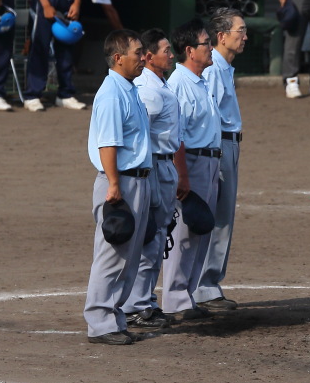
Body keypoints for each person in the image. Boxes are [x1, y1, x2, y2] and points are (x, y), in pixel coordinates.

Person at [83, 29, 151, 345]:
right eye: (138, 52)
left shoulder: (129, 89)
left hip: (135, 180)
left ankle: (114, 317)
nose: (143, 57)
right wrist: (113, 185)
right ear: (117, 58)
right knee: (112, 256)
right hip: (120, 182)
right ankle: (100, 322)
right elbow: (107, 144)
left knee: (130, 257)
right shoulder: (111, 94)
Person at [162, 18, 222, 323]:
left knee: (202, 229)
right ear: (189, 50)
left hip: (209, 163)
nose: (211, 48)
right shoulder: (179, 84)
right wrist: (182, 175)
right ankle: (174, 299)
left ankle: (188, 294)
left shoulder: (202, 80)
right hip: (193, 164)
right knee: (185, 232)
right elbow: (177, 137)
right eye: (205, 43)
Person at [125, 28, 181, 331]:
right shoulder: (147, 90)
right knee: (149, 237)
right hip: (154, 167)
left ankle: (144, 301)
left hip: (164, 166)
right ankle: (136, 305)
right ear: (148, 56)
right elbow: (138, 136)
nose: (171, 55)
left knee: (157, 237)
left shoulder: (159, 84)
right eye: (165, 50)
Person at [196, 8, 247, 311]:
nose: (245, 36)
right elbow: (209, 116)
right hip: (220, 147)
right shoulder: (214, 69)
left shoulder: (225, 67)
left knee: (223, 217)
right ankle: (205, 286)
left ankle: (207, 283)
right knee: (219, 218)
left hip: (229, 146)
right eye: (240, 30)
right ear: (221, 36)